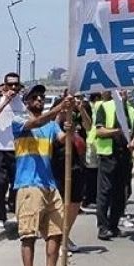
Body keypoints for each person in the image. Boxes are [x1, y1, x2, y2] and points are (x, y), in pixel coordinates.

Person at [10, 86, 74, 266]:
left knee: (55, 232)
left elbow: (63, 138)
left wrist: (71, 121)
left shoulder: (51, 125)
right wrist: (58, 109)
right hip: (29, 185)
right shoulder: (19, 121)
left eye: (41, 98)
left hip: (49, 184)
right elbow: (35, 123)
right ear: (26, 101)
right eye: (34, 97)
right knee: (28, 235)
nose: (39, 100)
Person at [0, 73, 25, 227]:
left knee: (17, 183)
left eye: (16, 85)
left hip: (17, 149)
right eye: (10, 84)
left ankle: (15, 209)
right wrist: (4, 102)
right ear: (5, 85)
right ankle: (0, 215)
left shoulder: (22, 103)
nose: (13, 88)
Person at [94, 91, 134, 240]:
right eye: (120, 90)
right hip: (108, 155)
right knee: (105, 192)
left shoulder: (131, 110)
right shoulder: (105, 107)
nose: (123, 93)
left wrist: (133, 141)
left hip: (124, 156)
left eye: (125, 90)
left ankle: (114, 225)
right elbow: (99, 130)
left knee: (120, 193)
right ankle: (103, 227)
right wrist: (116, 131)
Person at [52, 98, 90, 254]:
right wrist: (60, 113)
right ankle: (59, 239)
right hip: (59, 163)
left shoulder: (78, 113)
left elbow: (89, 127)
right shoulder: (58, 113)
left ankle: (65, 235)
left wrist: (81, 110)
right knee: (61, 203)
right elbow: (52, 130)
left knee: (75, 203)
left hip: (77, 164)